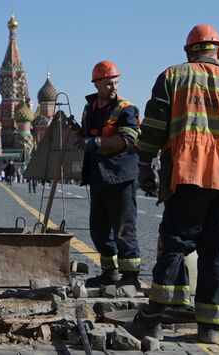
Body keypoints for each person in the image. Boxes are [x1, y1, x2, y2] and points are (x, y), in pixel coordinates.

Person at [133, 24, 219, 343]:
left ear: (188, 52)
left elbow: (152, 126)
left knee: (174, 245)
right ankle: (211, 327)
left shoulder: (172, 76)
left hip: (190, 173)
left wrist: (144, 165)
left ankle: (152, 318)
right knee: (217, 252)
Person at [73, 60, 142, 289]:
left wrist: (98, 142)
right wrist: (75, 131)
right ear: (97, 84)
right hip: (99, 176)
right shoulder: (89, 109)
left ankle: (130, 275)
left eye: (115, 82)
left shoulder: (126, 109)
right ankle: (109, 272)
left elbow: (128, 139)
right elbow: (85, 135)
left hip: (121, 176)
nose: (113, 87)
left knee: (124, 227)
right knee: (100, 228)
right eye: (108, 83)